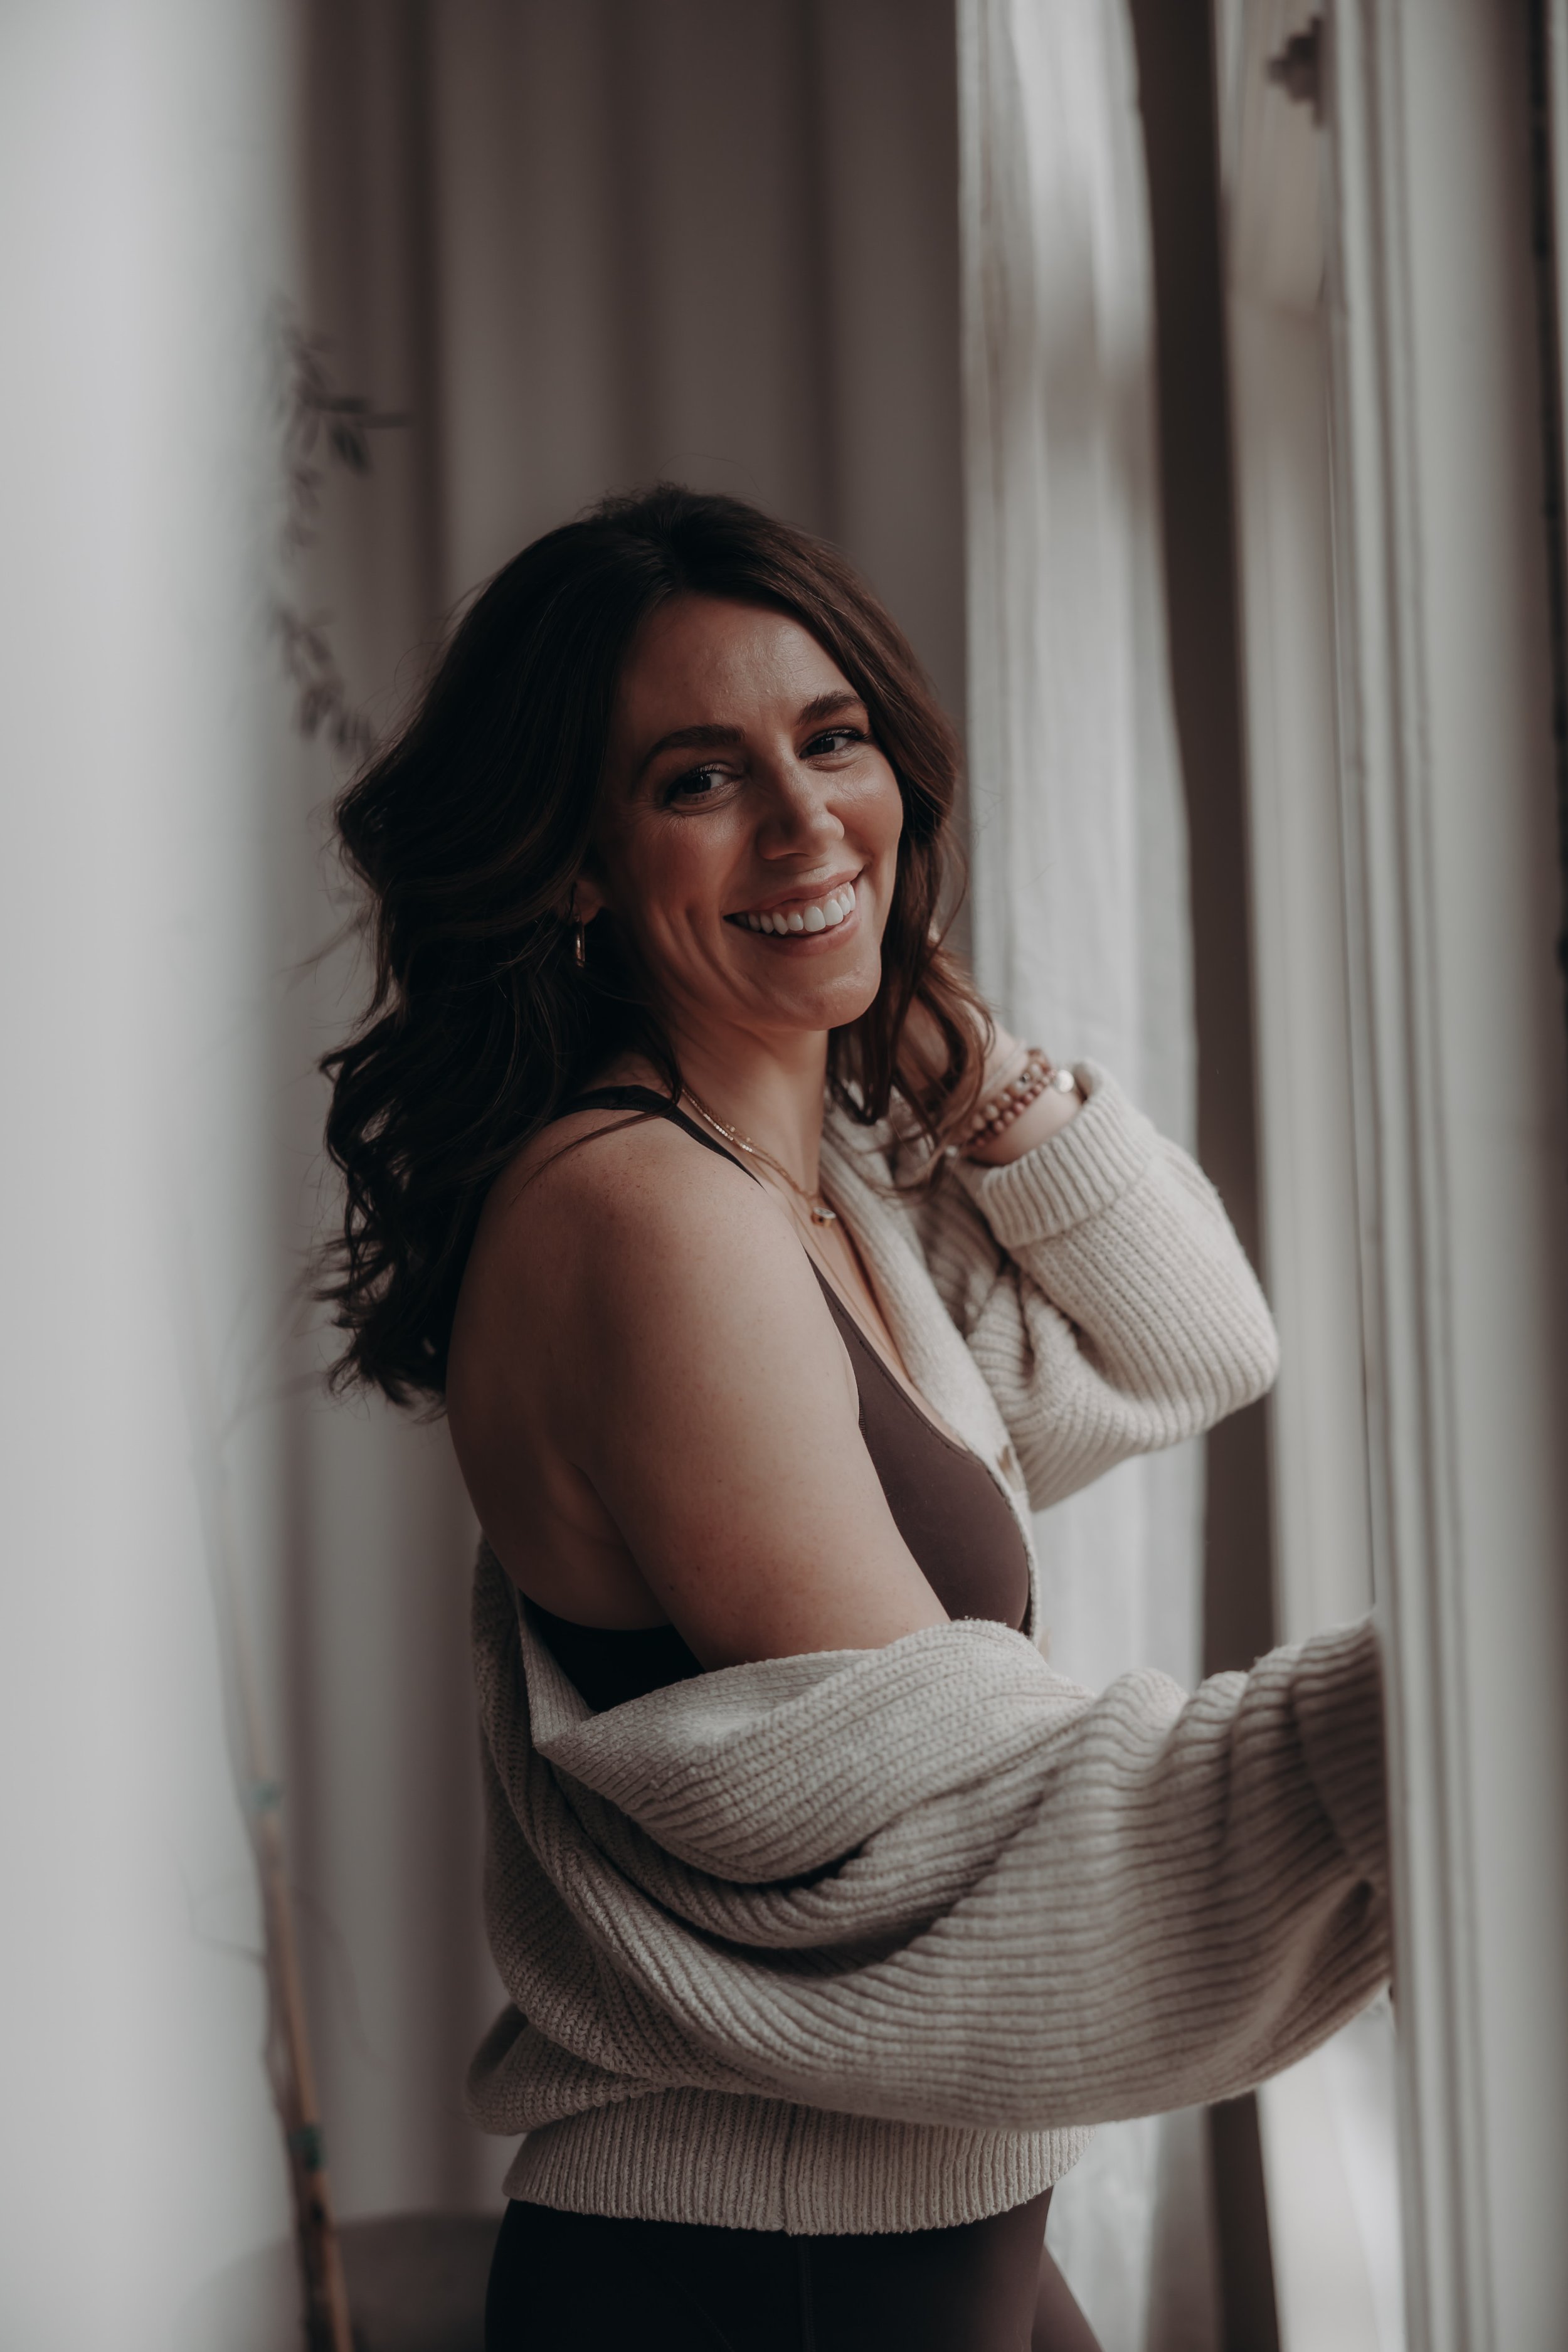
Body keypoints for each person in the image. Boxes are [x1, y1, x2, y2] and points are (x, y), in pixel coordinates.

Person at [320, 486, 1390, 2352]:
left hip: (914, 2231)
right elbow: (947, 1826)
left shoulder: (820, 1191)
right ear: (576, 869)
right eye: (699, 778)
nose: (806, 819)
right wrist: (1424, 1713)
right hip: (767, 2277)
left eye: (833, 740)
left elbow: (1194, 1346)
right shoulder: (646, 1220)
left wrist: (950, 1055)